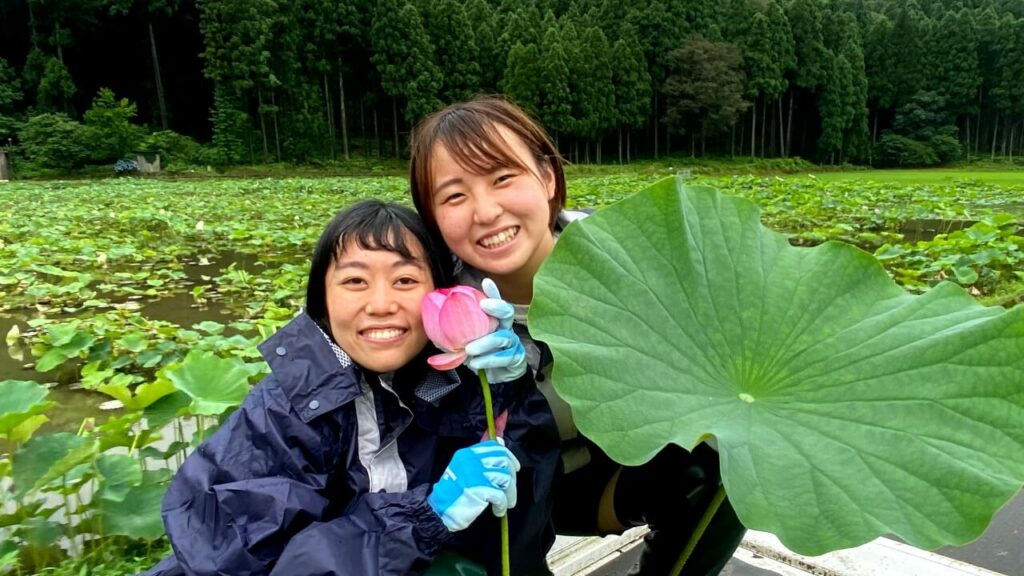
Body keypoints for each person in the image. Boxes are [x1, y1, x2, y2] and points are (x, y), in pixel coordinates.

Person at [409, 97, 747, 575]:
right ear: (432, 219)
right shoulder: (433, 305)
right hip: (503, 494)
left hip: (601, 474)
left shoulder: (629, 256)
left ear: (547, 177)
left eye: (503, 178)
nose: (485, 211)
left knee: (726, 465)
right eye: (454, 196)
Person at [142, 199, 560, 576]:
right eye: (355, 282)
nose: (380, 304)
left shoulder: (455, 389)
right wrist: (423, 518)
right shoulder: (279, 416)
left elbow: (523, 538)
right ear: (321, 300)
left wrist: (512, 394)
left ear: (439, 294)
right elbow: (245, 564)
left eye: (405, 281)